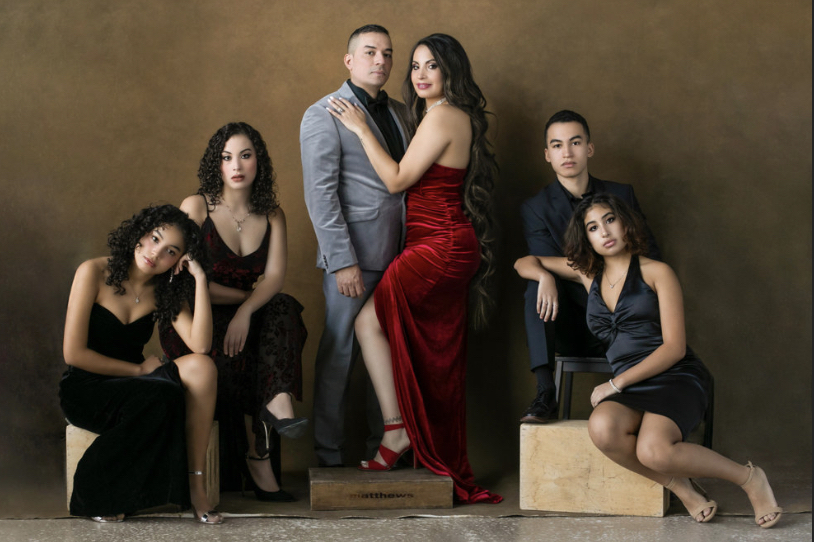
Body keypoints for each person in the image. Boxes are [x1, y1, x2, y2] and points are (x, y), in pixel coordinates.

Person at [514, 193, 782, 528]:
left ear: (625, 223)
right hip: (631, 384)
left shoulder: (657, 272)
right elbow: (524, 261)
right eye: (593, 227)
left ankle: (750, 478)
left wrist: (615, 384)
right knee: (602, 429)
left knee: (654, 451)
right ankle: (681, 487)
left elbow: (675, 348)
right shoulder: (587, 273)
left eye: (610, 220)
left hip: (675, 375)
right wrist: (546, 278)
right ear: (587, 239)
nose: (604, 231)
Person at [327, 33, 501, 504]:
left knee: (368, 323)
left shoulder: (444, 114)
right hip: (439, 243)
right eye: (416, 65)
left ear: (451, 72)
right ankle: (403, 432)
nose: (421, 75)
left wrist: (362, 129)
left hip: (441, 245)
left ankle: (397, 431)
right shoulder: (436, 114)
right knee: (428, 347)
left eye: (433, 66)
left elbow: (397, 180)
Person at [160, 122, 307, 501]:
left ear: (259, 161)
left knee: (284, 307)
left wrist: (245, 312)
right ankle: (257, 455)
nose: (236, 166)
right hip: (199, 317)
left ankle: (279, 400)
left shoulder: (272, 214)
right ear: (217, 164)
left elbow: (274, 278)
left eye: (245, 155)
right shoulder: (196, 207)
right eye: (227, 158)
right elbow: (186, 280)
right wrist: (245, 300)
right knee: (239, 356)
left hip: (244, 313)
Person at [59, 204, 222, 524]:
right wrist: (137, 370)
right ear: (140, 232)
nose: (155, 253)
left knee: (203, 368)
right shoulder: (93, 272)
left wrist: (200, 278)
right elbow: (73, 354)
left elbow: (201, 345)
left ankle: (196, 487)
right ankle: (96, 493)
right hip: (86, 387)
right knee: (161, 396)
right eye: (155, 238)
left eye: (170, 251)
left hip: (136, 389)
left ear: (179, 260)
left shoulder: (164, 291)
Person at [300, 24, 411, 468]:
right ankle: (328, 457)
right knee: (340, 356)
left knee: (388, 356)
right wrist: (341, 260)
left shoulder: (402, 112)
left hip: (402, 254)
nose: (380, 60)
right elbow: (320, 195)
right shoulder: (322, 113)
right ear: (349, 60)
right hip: (354, 257)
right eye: (370, 52)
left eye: (387, 53)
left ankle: (382, 450)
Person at [517, 110, 662, 423]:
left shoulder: (621, 195)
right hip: (572, 321)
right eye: (557, 145)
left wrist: (586, 272)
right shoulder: (536, 208)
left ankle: (644, 396)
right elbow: (543, 262)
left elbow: (649, 254)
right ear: (547, 154)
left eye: (575, 142)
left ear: (589, 148)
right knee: (536, 287)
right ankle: (545, 392)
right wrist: (545, 275)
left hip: (626, 314)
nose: (567, 153)